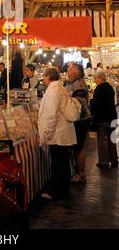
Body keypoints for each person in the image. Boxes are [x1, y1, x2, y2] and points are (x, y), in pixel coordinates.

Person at [38, 67, 77, 200]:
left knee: (58, 163)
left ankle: (56, 191)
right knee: (63, 162)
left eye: (44, 76)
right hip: (62, 132)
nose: (43, 78)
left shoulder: (53, 91)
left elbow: (50, 115)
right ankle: (64, 189)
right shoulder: (59, 88)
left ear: (49, 76)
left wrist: (46, 134)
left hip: (58, 134)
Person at [66, 63, 91, 183]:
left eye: (70, 69)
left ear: (76, 73)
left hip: (81, 120)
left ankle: (81, 174)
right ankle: (76, 172)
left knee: (79, 147)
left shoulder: (79, 84)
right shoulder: (71, 83)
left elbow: (79, 103)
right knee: (76, 147)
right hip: (77, 120)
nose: (67, 71)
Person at [91, 71, 118, 168]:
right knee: (112, 139)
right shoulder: (109, 87)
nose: (94, 80)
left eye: (95, 78)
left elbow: (96, 104)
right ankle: (114, 159)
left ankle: (103, 162)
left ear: (100, 78)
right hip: (112, 116)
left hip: (103, 118)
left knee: (103, 140)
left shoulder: (99, 89)